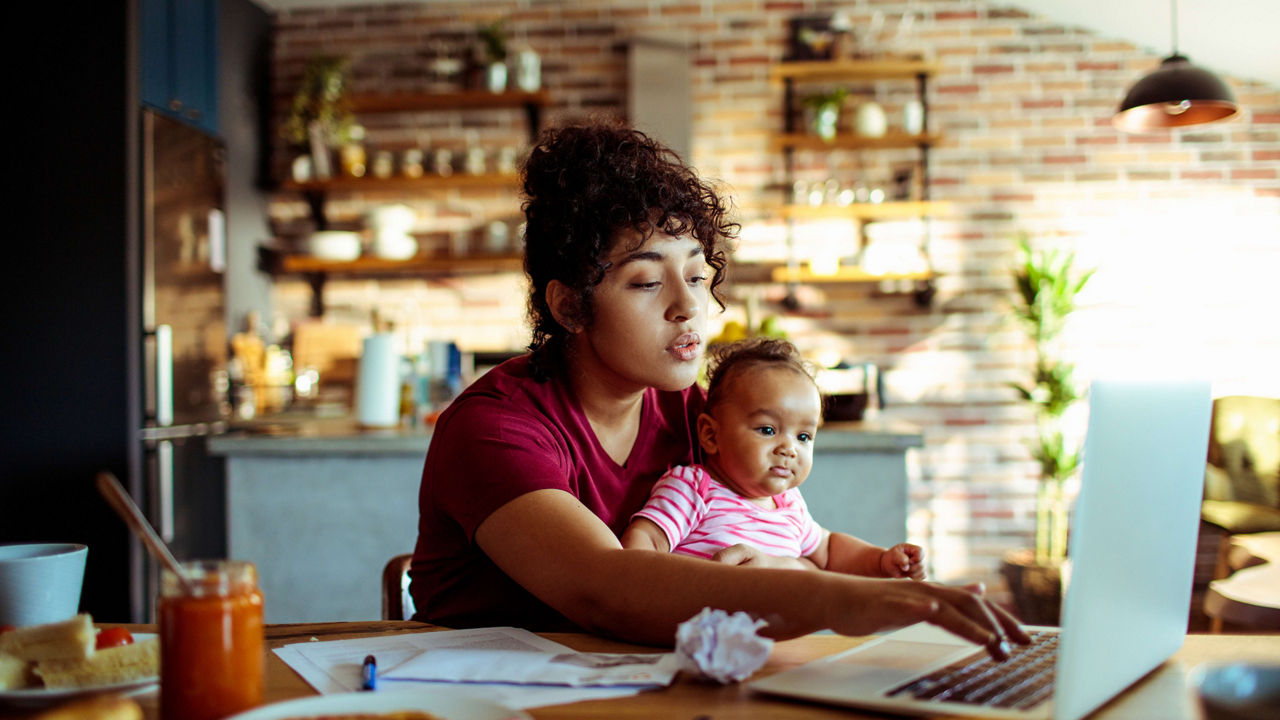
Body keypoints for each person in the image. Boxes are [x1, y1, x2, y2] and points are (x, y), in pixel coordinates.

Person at [409, 120, 1025, 657]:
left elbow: (768, 531)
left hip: (636, 683)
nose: (690, 309)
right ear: (570, 306)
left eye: (699, 277)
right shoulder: (494, 427)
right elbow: (604, 587)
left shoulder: (691, 411)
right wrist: (837, 598)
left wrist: (796, 570)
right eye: (647, 283)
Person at [621, 338, 925, 580]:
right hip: (703, 636)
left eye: (803, 436)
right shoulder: (694, 488)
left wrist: (881, 560)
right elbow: (644, 545)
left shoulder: (790, 504)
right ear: (711, 435)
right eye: (768, 429)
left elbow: (829, 550)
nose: (789, 448)